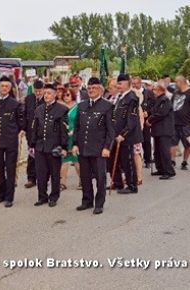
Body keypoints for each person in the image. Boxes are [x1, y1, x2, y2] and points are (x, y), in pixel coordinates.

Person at [73, 77, 115, 215]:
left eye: (94, 88)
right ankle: (87, 201)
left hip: (98, 149)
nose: (91, 90)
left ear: (101, 90)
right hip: (84, 147)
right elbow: (77, 127)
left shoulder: (107, 106)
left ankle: (99, 203)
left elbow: (110, 130)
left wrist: (107, 147)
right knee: (85, 177)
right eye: (89, 88)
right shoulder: (82, 105)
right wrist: (74, 144)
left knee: (100, 177)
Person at [31, 83, 68, 207]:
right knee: (41, 173)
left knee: (54, 174)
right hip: (40, 146)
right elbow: (35, 128)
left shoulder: (62, 110)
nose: (46, 96)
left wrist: (64, 147)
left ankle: (54, 196)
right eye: (45, 93)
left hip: (54, 147)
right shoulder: (39, 109)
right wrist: (33, 144)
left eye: (49, 93)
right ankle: (42, 196)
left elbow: (64, 131)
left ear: (55, 95)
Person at [0, 75, 24, 208]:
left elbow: (21, 122)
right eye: (2, 86)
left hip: (10, 141)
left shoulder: (15, 104)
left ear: (10, 88)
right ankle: (1, 193)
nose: (4, 88)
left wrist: (18, 133)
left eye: (6, 86)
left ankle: (9, 197)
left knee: (10, 169)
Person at [112, 74, 143, 194]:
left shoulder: (132, 98)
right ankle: (119, 183)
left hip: (128, 136)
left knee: (128, 161)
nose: (118, 86)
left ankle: (132, 186)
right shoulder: (121, 97)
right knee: (120, 160)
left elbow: (132, 119)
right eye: (117, 84)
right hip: (119, 135)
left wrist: (123, 134)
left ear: (127, 83)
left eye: (120, 83)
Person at [146, 81, 176, 179]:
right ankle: (161, 169)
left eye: (154, 89)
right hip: (158, 130)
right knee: (157, 151)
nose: (153, 91)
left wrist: (150, 119)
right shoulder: (158, 99)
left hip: (164, 130)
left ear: (159, 90)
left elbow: (161, 113)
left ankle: (169, 171)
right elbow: (153, 110)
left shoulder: (165, 100)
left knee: (164, 151)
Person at [23, 79, 45, 188]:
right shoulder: (28, 99)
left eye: (40, 91)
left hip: (43, 133)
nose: (38, 93)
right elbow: (24, 115)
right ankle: (31, 178)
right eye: (36, 91)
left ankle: (44, 177)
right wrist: (23, 129)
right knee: (31, 155)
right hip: (30, 132)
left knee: (43, 156)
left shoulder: (47, 100)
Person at [132, 76, 155, 168]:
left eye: (136, 83)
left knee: (146, 140)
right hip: (134, 120)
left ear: (140, 83)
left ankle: (148, 159)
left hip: (145, 120)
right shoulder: (131, 93)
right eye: (132, 84)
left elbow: (154, 105)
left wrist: (148, 112)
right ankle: (136, 158)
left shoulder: (148, 93)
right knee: (136, 140)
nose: (134, 85)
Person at [60, 88, 80, 190]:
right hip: (64, 136)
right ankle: (62, 183)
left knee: (76, 159)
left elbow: (80, 122)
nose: (65, 97)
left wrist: (74, 131)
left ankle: (82, 181)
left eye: (67, 95)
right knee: (64, 159)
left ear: (72, 95)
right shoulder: (60, 107)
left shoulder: (77, 107)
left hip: (74, 136)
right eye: (64, 95)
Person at [171, 75, 190, 170]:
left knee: (187, 144)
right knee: (172, 142)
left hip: (186, 124)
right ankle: (172, 161)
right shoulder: (176, 93)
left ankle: (184, 162)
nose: (175, 84)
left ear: (181, 82)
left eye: (176, 82)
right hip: (174, 123)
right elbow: (171, 106)